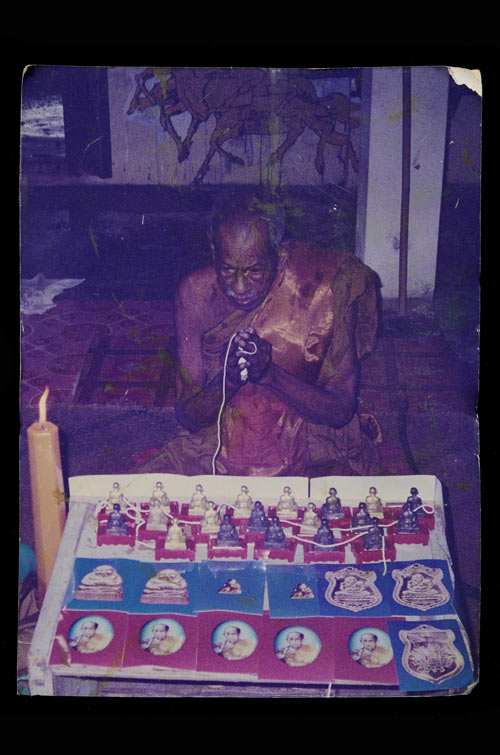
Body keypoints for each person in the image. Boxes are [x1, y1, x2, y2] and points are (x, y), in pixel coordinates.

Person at [133, 187, 380, 477]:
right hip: (221, 437)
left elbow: (340, 411)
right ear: (213, 249)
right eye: (227, 270)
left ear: (280, 254)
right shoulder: (195, 295)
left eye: (254, 271)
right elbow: (188, 415)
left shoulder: (323, 288)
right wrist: (228, 380)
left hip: (308, 436)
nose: (239, 287)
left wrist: (269, 375)